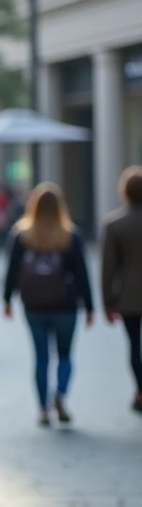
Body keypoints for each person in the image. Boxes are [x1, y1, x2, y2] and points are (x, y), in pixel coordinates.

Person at [2, 183, 94, 426]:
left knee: (41, 357)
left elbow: (11, 270)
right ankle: (60, 394)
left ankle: (43, 409)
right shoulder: (71, 235)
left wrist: (7, 299)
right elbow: (82, 273)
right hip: (65, 304)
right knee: (64, 355)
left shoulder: (22, 234)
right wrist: (90, 306)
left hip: (33, 305)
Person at [101, 165, 142, 413]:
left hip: (128, 296)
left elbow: (108, 268)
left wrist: (108, 302)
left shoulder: (115, 224)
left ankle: (140, 388)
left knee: (134, 346)